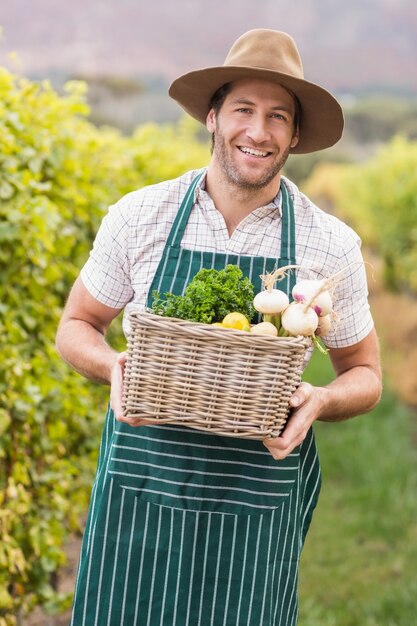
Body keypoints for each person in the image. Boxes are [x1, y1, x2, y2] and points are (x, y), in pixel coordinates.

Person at [56, 28, 382, 626]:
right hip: (143, 488)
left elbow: (364, 374)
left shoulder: (328, 244)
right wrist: (113, 366)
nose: (258, 132)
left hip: (256, 499)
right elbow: (77, 324)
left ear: (295, 135)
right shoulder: (140, 216)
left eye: (278, 117)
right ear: (212, 116)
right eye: (244, 110)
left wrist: (322, 400)